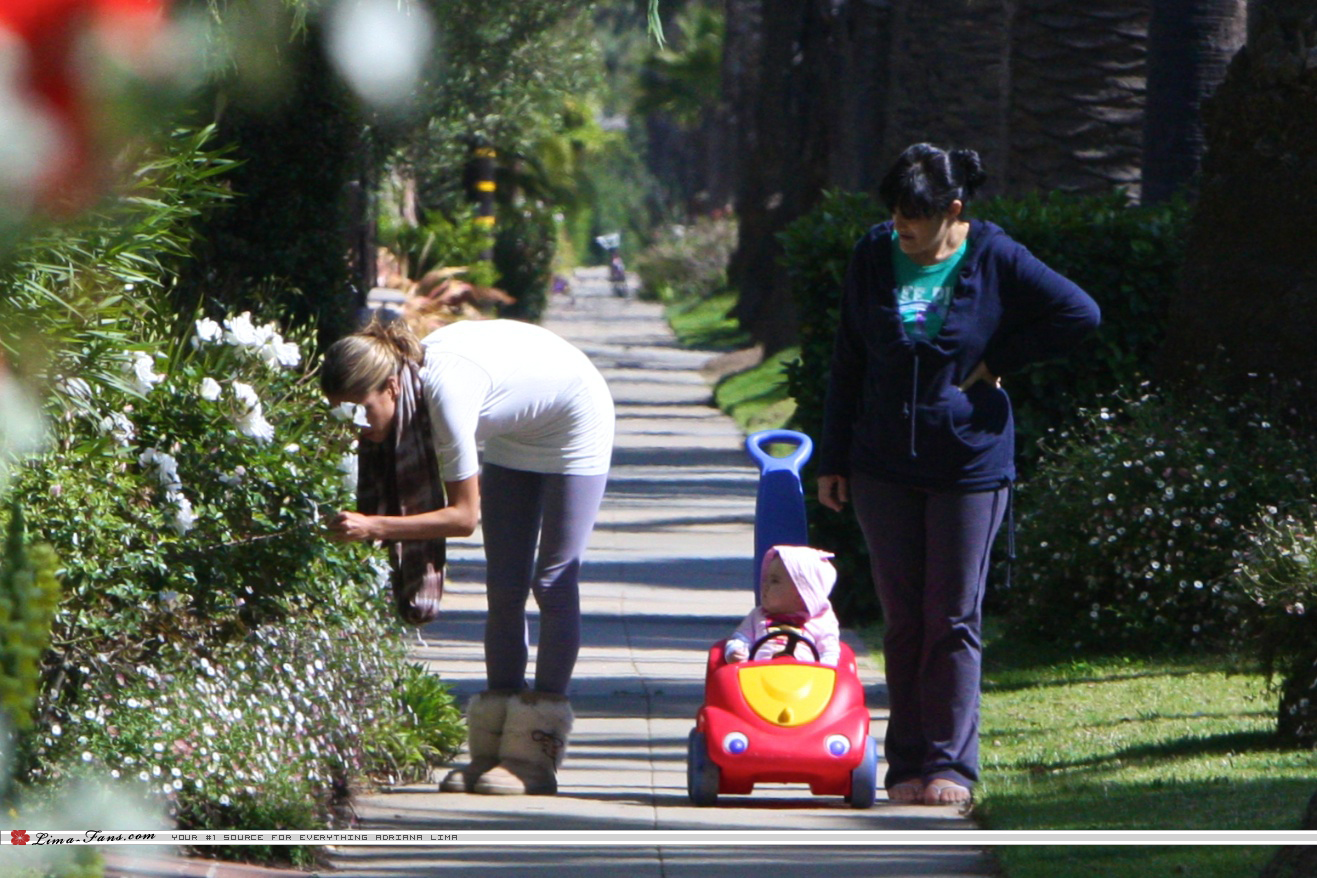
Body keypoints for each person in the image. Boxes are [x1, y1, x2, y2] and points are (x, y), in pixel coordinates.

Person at [815, 143, 1100, 807]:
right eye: (893, 213)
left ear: (952, 208)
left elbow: (1079, 314)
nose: (901, 226)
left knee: (952, 616)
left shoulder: (994, 255)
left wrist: (1000, 358)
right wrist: (832, 459)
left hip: (969, 465)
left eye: (914, 214)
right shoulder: (870, 254)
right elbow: (847, 360)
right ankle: (905, 766)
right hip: (881, 464)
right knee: (903, 619)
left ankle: (950, 767)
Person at [321, 315, 615, 797]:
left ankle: (534, 755)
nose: (355, 428)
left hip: (574, 418)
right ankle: (492, 748)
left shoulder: (444, 400)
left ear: (392, 387)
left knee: (553, 581)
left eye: (361, 412)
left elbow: (462, 517)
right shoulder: (405, 394)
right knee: (504, 586)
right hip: (515, 430)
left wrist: (375, 525)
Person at [724, 545, 841, 666]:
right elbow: (740, 638)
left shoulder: (822, 622)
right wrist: (734, 651)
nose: (765, 585)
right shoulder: (758, 615)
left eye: (774, 581)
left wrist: (824, 671)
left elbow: (829, 653)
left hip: (806, 680)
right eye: (766, 579)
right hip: (757, 678)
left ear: (803, 594)